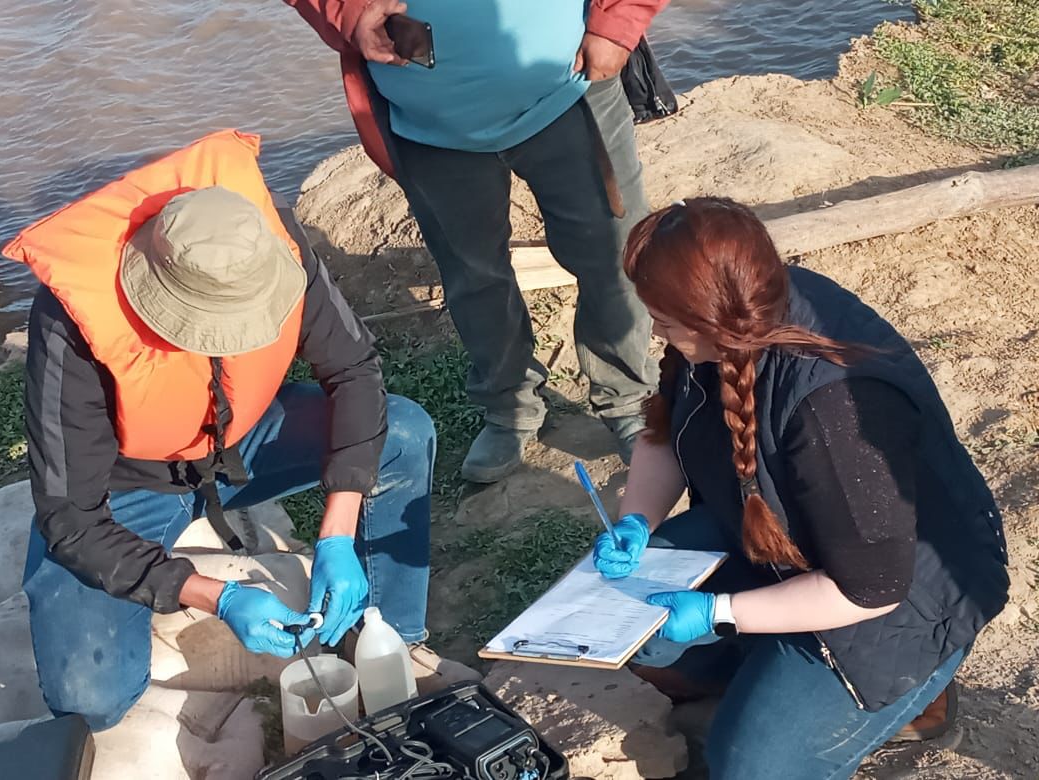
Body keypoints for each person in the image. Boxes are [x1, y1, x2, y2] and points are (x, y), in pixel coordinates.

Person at [4, 131, 475, 731]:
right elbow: (71, 518)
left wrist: (335, 534)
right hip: (130, 483)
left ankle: (393, 638)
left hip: (240, 439)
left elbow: (354, 370)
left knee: (403, 432)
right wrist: (213, 595)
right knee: (91, 697)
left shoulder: (265, 239)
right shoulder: (72, 322)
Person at [592, 197, 1009, 778]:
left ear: (711, 316)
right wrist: (637, 519)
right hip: (779, 537)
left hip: (892, 602)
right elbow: (667, 430)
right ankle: (757, 668)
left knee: (749, 767)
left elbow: (873, 589)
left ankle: (912, 694)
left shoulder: (837, 412)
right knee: (620, 615)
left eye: (664, 321)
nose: (655, 330)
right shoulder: (735, 313)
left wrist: (720, 611)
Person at [285, 0, 668, 482]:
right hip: (429, 126)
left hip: (569, 89)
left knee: (615, 256)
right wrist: (348, 11)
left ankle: (629, 397)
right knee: (473, 274)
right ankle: (508, 406)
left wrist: (619, 21)